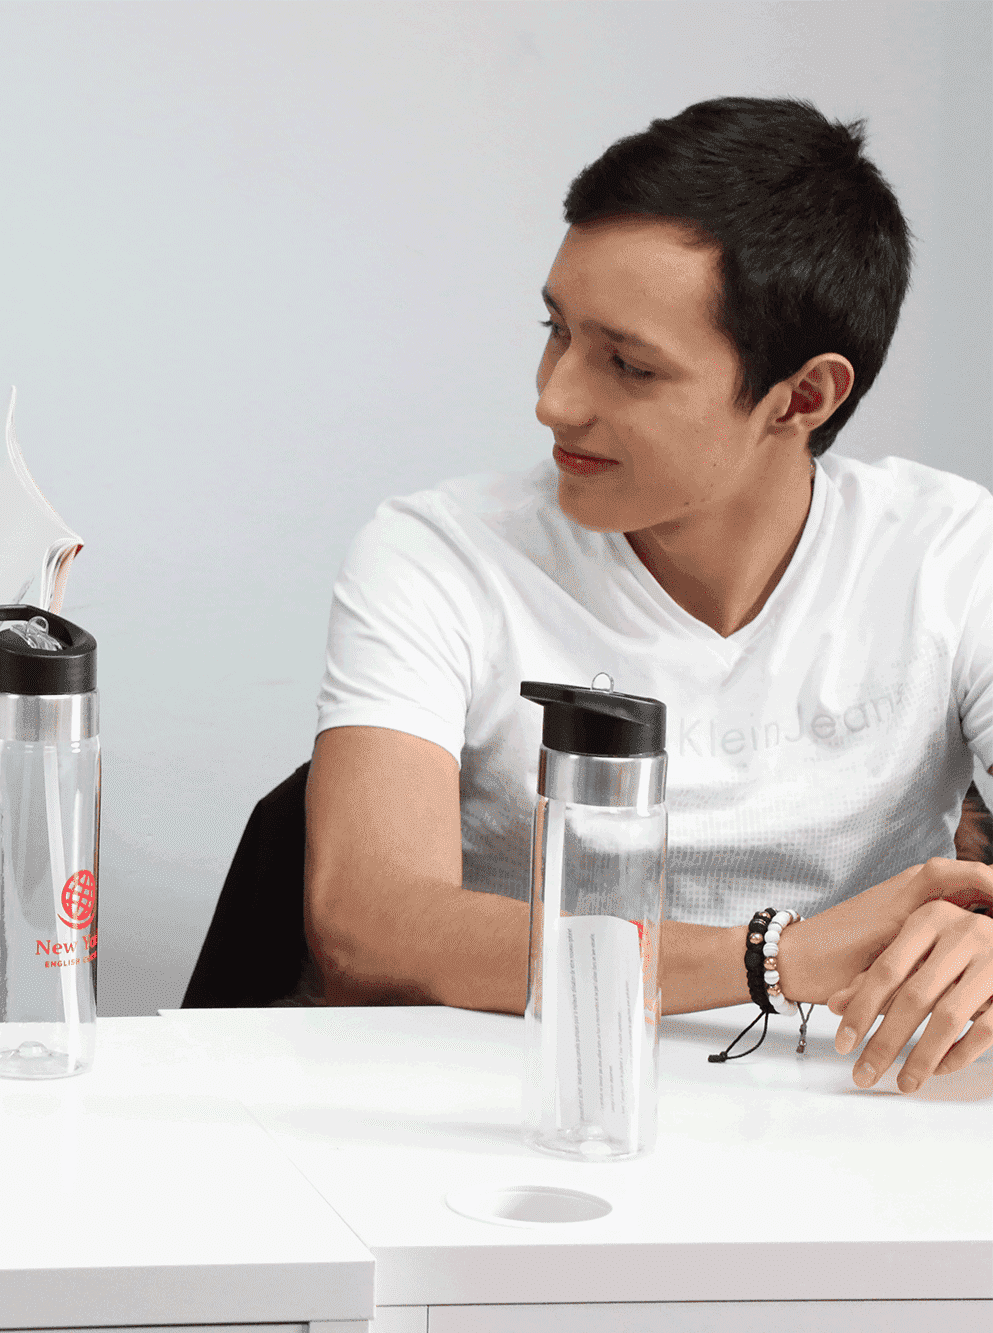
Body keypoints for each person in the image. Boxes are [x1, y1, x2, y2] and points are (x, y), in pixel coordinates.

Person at [303, 98, 993, 1093]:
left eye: (626, 364)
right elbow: (363, 920)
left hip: (848, 1103)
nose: (552, 398)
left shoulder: (948, 553)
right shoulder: (437, 554)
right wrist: (774, 959)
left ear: (800, 398)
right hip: (514, 1095)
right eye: (556, 332)